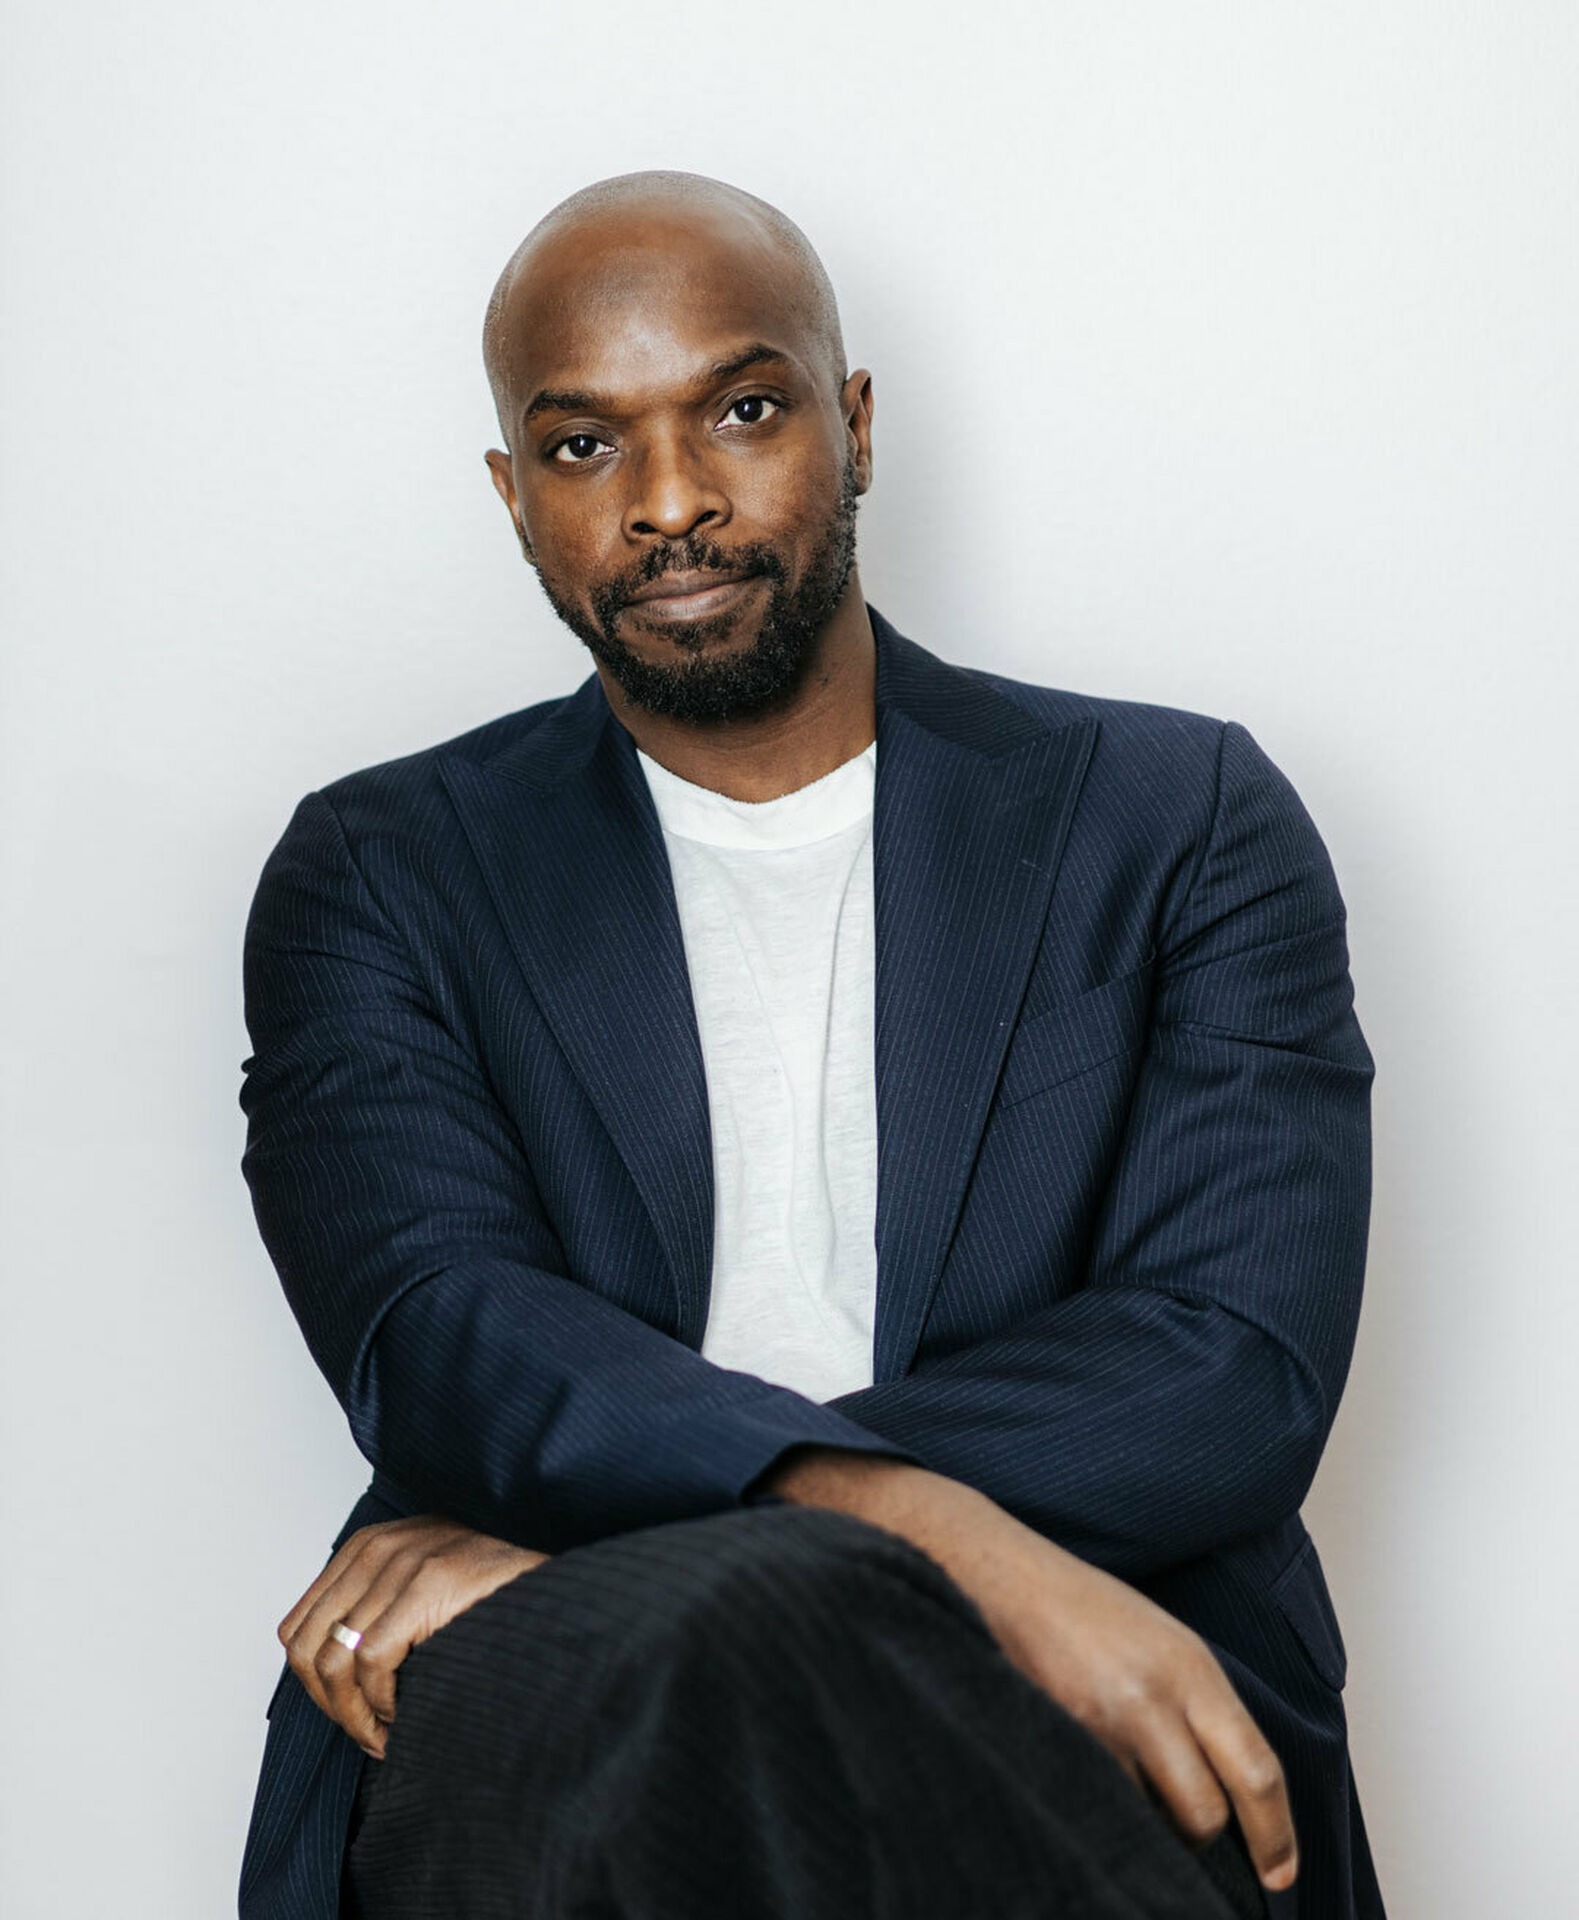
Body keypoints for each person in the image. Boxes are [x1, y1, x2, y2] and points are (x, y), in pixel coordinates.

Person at [236, 170, 1383, 1920]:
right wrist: (913, 1518)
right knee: (714, 1678)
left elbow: (1230, 1368)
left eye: (743, 411)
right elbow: (442, 1331)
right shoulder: (380, 871)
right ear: (512, 495)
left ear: (853, 424)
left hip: (1073, 1631)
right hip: (557, 1680)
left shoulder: (1178, 817)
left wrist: (707, 1524)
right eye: (583, 446)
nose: (670, 502)